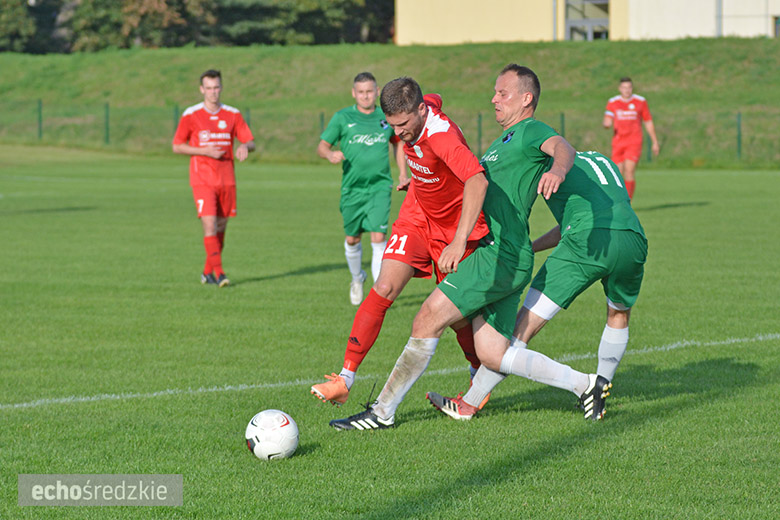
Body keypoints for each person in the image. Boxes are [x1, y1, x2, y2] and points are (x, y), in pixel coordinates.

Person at [329, 64, 576, 431]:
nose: (493, 99)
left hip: (496, 249)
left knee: (429, 318)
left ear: (526, 99)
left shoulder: (528, 131)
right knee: (491, 351)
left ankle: (382, 412)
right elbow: (433, 105)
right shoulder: (502, 138)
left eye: (502, 93)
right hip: (490, 245)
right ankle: (584, 383)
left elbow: (550, 152)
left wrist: (557, 170)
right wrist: (420, 181)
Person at [426, 150, 648, 422]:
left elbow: (579, 224)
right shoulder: (601, 160)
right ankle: (600, 390)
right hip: (632, 238)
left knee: (523, 326)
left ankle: (469, 403)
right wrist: (533, 247)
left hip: (584, 243)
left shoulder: (547, 162)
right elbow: (585, 219)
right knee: (618, 314)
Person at [310, 77, 491, 408]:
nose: (399, 132)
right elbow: (435, 95)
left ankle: (478, 375)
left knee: (458, 316)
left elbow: (477, 181)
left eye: (404, 125)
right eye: (392, 125)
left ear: (421, 110)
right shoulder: (420, 105)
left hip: (453, 228)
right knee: (384, 287)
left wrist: (458, 242)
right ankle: (344, 379)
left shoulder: (442, 137)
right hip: (417, 216)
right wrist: (419, 180)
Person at [317, 72, 409, 305]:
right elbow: (322, 146)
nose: (365, 96)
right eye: (361, 92)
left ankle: (378, 294)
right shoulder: (342, 117)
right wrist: (329, 154)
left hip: (380, 186)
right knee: (352, 239)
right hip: (352, 189)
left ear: (377, 92)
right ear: (353, 93)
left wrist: (402, 173)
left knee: (379, 237)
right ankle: (357, 278)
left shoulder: (385, 116)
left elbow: (398, 143)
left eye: (369, 91)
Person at [172, 69, 255, 287]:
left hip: (227, 179)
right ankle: (220, 274)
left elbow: (250, 140)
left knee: (220, 230)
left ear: (221, 88)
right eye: (208, 88)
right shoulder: (191, 114)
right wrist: (204, 151)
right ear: (202, 89)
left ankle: (207, 272)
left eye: (216, 87)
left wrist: (244, 146)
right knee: (209, 227)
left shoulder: (232, 114)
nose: (213, 92)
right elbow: (177, 146)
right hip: (202, 179)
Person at [603, 77, 659, 199]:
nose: (627, 90)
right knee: (617, 173)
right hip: (618, 142)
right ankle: (618, 200)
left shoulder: (640, 101)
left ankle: (627, 202)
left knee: (629, 170)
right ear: (619, 89)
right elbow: (608, 117)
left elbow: (648, 121)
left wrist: (654, 141)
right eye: (624, 87)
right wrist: (606, 123)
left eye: (629, 87)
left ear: (632, 88)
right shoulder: (613, 102)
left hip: (634, 141)